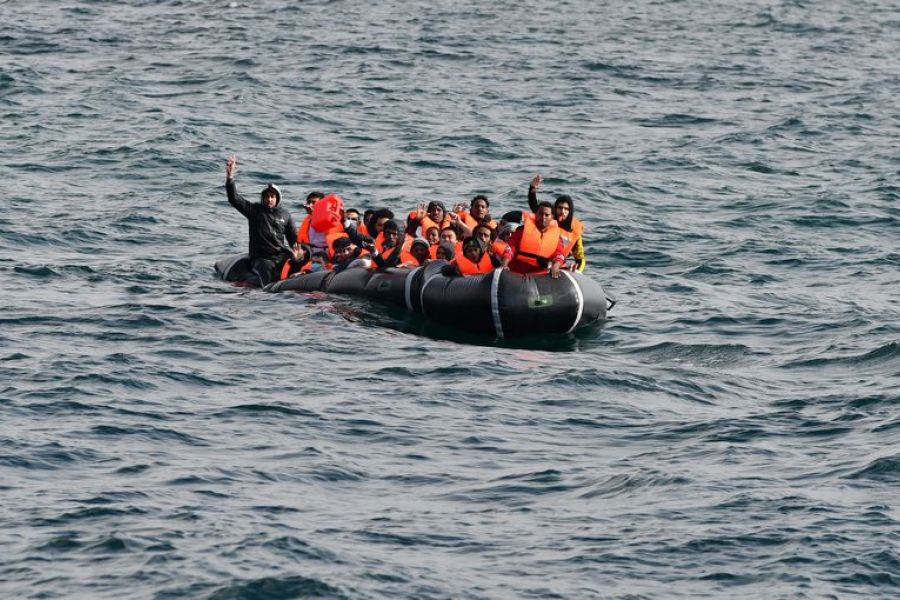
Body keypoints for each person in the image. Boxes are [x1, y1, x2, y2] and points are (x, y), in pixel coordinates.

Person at [225, 155, 297, 286]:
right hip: (261, 258)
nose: (269, 199)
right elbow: (234, 199)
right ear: (263, 198)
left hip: (280, 255)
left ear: (277, 198)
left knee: (296, 264)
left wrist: (299, 254)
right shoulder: (254, 210)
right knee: (267, 275)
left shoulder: (286, 215)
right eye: (267, 197)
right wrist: (230, 177)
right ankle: (268, 292)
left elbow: (293, 240)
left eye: (272, 196)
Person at [528, 174, 585, 272]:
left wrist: (577, 270)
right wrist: (532, 189)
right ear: (555, 208)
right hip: (540, 262)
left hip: (559, 265)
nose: (562, 211)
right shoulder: (548, 219)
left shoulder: (575, 229)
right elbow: (535, 208)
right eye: (560, 208)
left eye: (566, 209)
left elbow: (580, 258)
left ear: (570, 211)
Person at [506, 201, 565, 278]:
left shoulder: (557, 238)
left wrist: (556, 266)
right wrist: (504, 263)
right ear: (536, 214)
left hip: (539, 276)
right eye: (541, 214)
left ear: (552, 217)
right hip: (517, 274)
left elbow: (559, 255)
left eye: (546, 215)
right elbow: (510, 248)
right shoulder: (522, 231)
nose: (543, 217)